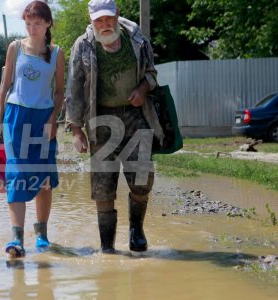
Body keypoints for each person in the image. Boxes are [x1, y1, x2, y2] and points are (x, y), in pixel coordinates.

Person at [65, 0, 162, 254]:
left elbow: (152, 73)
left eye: (108, 18)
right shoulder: (83, 45)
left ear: (117, 15)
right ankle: (107, 247)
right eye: (99, 20)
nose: (104, 24)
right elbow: (74, 89)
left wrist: (143, 89)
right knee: (102, 187)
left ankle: (136, 230)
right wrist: (76, 129)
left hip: (135, 116)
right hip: (100, 120)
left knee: (142, 180)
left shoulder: (135, 38)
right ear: (91, 19)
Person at [0, 0, 65, 257]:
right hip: (16, 116)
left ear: (47, 24)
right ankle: (16, 239)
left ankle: (42, 235)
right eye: (28, 23)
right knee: (16, 174)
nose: (32, 28)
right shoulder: (15, 48)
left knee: (44, 177)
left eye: (37, 23)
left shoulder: (57, 53)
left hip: (43, 118)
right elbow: (3, 89)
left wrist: (53, 118)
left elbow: (59, 92)